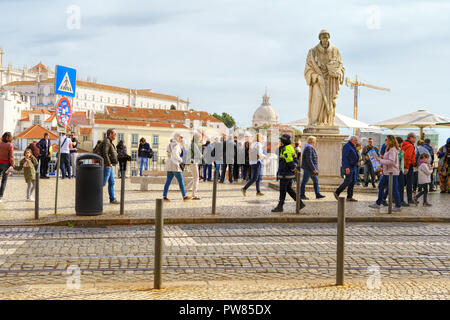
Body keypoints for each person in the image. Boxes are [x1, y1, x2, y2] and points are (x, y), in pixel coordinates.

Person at [271, 134, 305, 212]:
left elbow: (289, 161)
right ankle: (300, 203)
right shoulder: (291, 147)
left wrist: (293, 169)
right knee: (289, 189)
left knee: (283, 190)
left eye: (281, 140)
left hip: (285, 173)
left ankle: (280, 207)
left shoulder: (285, 149)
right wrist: (294, 168)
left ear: (283, 141)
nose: (280, 142)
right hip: (289, 173)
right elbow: (295, 159)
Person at [369, 135, 402, 212]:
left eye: (386, 139)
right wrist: (383, 157)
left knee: (393, 189)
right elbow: (389, 159)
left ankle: (398, 205)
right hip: (387, 172)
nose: (385, 141)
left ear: (390, 140)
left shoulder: (392, 150)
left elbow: (392, 161)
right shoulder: (389, 149)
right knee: (381, 186)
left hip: (392, 172)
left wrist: (380, 160)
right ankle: (378, 203)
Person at [163, 133, 191, 201]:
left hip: (169, 164)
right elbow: (175, 155)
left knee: (168, 181)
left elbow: (168, 153)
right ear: (177, 137)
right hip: (175, 165)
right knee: (180, 181)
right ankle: (184, 196)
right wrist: (181, 160)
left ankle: (164, 195)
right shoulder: (177, 145)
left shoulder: (169, 144)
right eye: (180, 138)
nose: (181, 139)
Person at [334, 136, 359, 202]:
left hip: (353, 166)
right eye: (355, 140)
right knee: (348, 181)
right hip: (349, 167)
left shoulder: (353, 146)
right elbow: (344, 157)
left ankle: (349, 197)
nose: (356, 142)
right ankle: (337, 192)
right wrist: (346, 167)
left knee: (352, 182)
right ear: (351, 140)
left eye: (357, 140)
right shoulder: (347, 146)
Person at [99, 128, 119, 204]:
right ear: (110, 134)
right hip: (107, 165)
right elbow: (105, 153)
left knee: (111, 182)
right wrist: (107, 164)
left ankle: (112, 199)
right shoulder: (107, 141)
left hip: (109, 165)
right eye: (115, 134)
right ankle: (94, 197)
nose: (116, 135)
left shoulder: (109, 141)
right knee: (103, 183)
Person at [186, 133, 202, 200]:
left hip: (189, 163)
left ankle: (185, 189)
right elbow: (198, 154)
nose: (200, 140)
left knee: (194, 178)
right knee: (196, 178)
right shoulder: (194, 144)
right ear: (197, 138)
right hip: (193, 162)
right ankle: (194, 194)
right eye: (199, 138)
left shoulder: (192, 144)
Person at [401, 132, 417, 204]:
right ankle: (409, 199)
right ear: (410, 138)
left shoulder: (403, 144)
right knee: (409, 183)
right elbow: (407, 157)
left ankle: (397, 198)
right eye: (415, 137)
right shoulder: (410, 146)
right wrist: (407, 167)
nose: (415, 139)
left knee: (402, 183)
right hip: (408, 166)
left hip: (402, 165)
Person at [0, 132, 15, 202]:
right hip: (6, 164)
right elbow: (11, 157)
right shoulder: (10, 145)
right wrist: (12, 165)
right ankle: (0, 197)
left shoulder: (0, 144)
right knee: (4, 181)